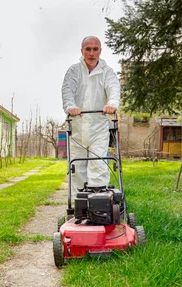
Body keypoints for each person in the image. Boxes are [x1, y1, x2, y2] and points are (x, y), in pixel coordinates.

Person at [62, 36, 120, 196]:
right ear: (82, 51)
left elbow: (114, 88)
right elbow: (67, 90)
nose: (92, 53)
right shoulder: (74, 71)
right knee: (77, 167)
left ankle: (99, 203)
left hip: (99, 127)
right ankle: (79, 207)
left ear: (100, 51)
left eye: (95, 49)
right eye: (88, 49)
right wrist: (70, 107)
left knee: (99, 164)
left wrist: (112, 104)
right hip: (77, 127)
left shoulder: (107, 72)